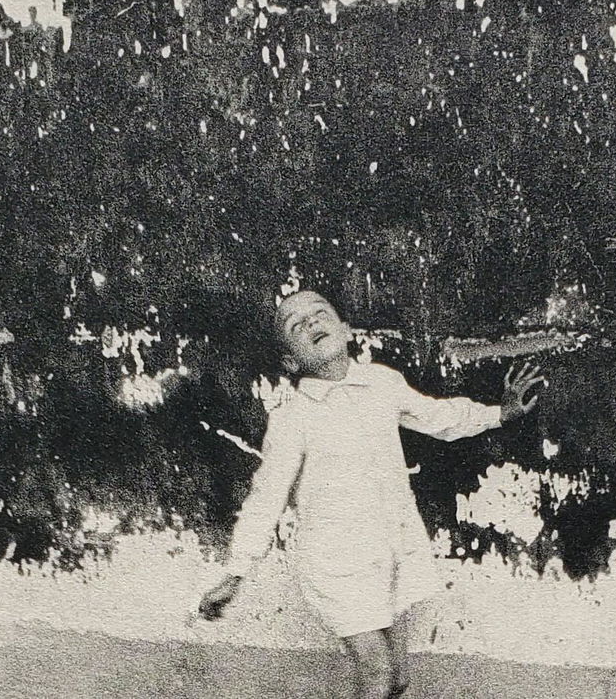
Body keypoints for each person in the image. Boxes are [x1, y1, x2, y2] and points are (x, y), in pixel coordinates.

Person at [198, 289, 544, 699]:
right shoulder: (293, 419)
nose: (311, 323)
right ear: (290, 362)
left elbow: (437, 416)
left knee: (395, 678)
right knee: (377, 674)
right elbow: (266, 497)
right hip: (335, 563)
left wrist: (498, 414)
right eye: (296, 325)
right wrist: (236, 571)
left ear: (346, 330)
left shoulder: (383, 382)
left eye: (320, 313)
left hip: (389, 551)